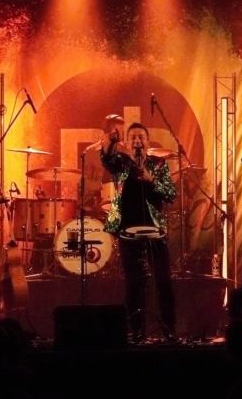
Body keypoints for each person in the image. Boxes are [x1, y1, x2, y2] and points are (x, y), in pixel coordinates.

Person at [101, 122, 177, 342]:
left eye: (141, 137)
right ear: (127, 141)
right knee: (133, 284)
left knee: (163, 282)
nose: (137, 141)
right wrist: (111, 143)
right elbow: (106, 160)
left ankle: (169, 331)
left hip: (155, 232)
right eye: (133, 137)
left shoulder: (158, 165)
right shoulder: (121, 164)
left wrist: (151, 180)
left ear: (147, 141)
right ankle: (136, 332)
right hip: (128, 231)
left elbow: (170, 194)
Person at [82, 114, 125, 214]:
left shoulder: (125, 152)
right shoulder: (91, 152)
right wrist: (101, 187)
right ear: (106, 132)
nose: (120, 136)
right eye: (117, 132)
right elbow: (85, 183)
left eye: (122, 132)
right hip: (97, 205)